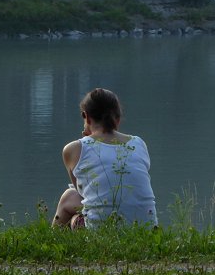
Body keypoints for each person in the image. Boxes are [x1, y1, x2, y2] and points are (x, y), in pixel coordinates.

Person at [53, 88, 157, 229]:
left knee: (69, 197)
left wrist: (86, 142)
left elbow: (82, 193)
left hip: (100, 231)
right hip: (147, 229)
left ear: (86, 117)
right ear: (118, 119)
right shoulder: (139, 143)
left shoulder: (74, 149)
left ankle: (51, 244)